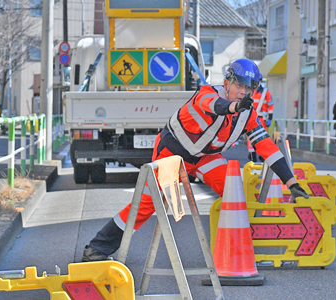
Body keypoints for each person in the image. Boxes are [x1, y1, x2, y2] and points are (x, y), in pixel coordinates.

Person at [81, 58, 309, 262]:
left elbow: (266, 146)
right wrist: (233, 107)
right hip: (171, 155)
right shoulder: (207, 93)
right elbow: (215, 107)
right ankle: (96, 248)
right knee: (147, 204)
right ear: (228, 82)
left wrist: (292, 183)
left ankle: (235, 247)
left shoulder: (248, 115)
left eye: (249, 89)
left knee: (234, 189)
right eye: (239, 85)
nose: (243, 92)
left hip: (203, 158)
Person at [247, 74, 274, 162]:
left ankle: (263, 155)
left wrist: (270, 118)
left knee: (262, 137)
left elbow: (270, 105)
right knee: (250, 137)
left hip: (262, 119)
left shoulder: (266, 92)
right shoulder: (249, 91)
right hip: (250, 118)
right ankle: (252, 155)